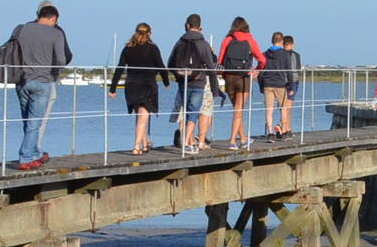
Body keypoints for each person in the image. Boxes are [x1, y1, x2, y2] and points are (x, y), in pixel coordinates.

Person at [10, 3, 71, 171]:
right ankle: (25, 157)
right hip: (42, 82)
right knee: (34, 122)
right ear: (53, 18)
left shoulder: (21, 29)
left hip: (22, 81)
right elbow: (61, 60)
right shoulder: (56, 34)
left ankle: (34, 153)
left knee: (27, 121)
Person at [110, 23, 168, 155]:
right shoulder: (152, 49)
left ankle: (145, 143)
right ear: (150, 33)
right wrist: (166, 81)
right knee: (143, 116)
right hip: (147, 85)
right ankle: (136, 146)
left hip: (131, 85)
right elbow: (161, 66)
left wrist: (113, 87)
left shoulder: (127, 49)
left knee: (140, 116)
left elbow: (120, 68)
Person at [168, 14, 220, 154]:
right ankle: (186, 144)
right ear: (200, 27)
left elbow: (170, 63)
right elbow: (210, 67)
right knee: (193, 113)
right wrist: (215, 89)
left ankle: (186, 141)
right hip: (198, 82)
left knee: (185, 112)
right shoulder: (203, 43)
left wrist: (178, 76)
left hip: (182, 83)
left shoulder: (180, 42)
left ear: (187, 26)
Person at [215, 18, 265, 150]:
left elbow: (220, 61)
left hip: (229, 78)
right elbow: (262, 60)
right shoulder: (250, 40)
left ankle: (243, 139)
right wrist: (257, 71)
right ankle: (232, 141)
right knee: (238, 111)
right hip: (244, 78)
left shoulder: (227, 40)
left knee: (238, 111)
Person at [259, 31, 296, 138]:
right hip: (280, 84)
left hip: (268, 84)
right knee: (284, 108)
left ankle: (270, 132)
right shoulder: (285, 54)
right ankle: (284, 131)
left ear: (272, 40)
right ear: (281, 41)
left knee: (269, 110)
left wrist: (261, 85)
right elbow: (289, 71)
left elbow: (261, 71)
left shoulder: (265, 54)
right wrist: (291, 86)